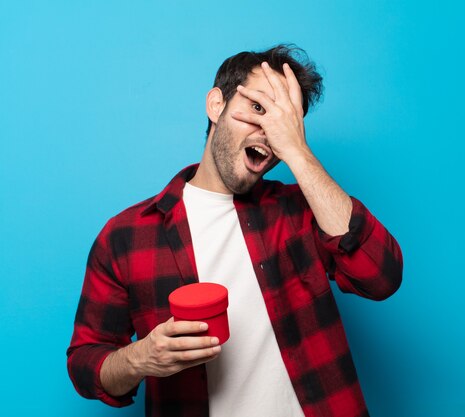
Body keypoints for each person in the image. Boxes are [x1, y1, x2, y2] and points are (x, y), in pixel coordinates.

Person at [67, 44, 403, 417]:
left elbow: (381, 277)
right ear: (216, 105)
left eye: (284, 119)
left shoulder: (302, 211)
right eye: (258, 108)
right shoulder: (126, 236)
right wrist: (139, 358)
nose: (269, 130)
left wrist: (298, 151)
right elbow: (85, 363)